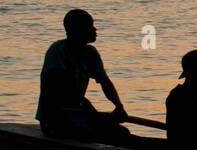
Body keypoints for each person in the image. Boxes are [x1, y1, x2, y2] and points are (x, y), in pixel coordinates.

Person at [35, 9, 130, 142]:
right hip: (54, 118)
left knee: (122, 133)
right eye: (90, 26)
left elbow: (105, 82)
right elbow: (59, 87)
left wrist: (119, 107)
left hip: (79, 114)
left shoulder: (90, 53)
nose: (95, 30)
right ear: (78, 30)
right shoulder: (57, 51)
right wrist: (89, 108)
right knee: (92, 135)